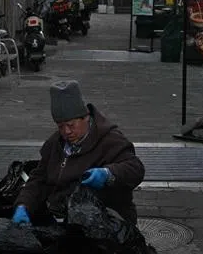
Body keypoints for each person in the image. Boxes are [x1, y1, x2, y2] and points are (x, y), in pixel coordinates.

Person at [11, 80, 144, 226]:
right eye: (61, 126)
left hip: (104, 222)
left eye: (71, 125)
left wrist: (108, 174)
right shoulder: (55, 142)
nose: (66, 132)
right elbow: (39, 178)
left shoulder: (110, 140)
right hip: (65, 218)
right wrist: (23, 205)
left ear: (86, 117)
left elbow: (135, 168)